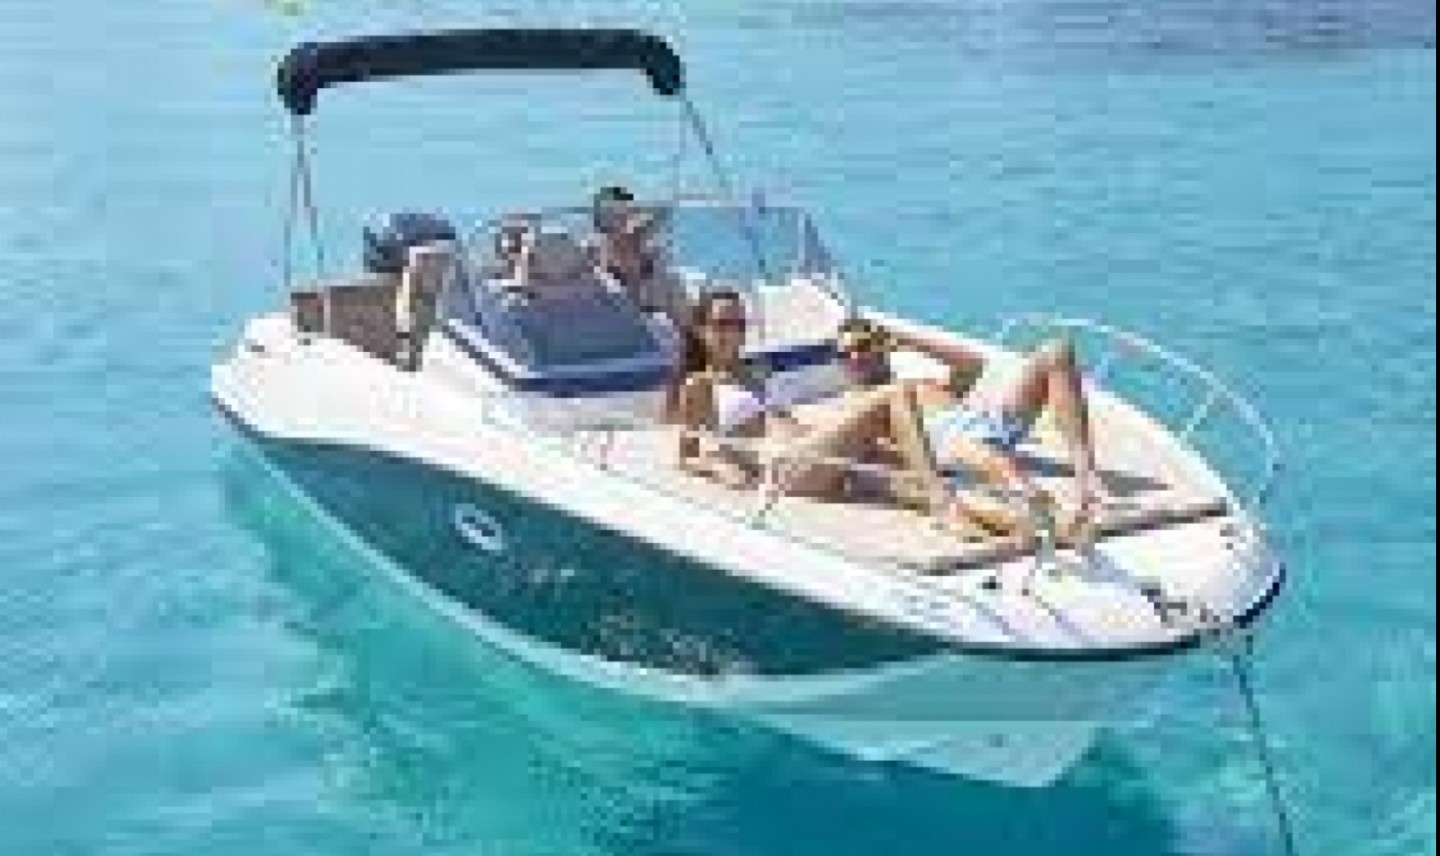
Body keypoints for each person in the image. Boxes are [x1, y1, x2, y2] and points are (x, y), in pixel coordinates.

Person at [832, 318, 1103, 542]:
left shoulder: (920, 383)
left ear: (881, 346)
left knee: (1056, 351)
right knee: (982, 453)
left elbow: (973, 365)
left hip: (989, 423)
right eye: (845, 354)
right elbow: (875, 453)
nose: (855, 357)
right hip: (946, 443)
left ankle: (1085, 474)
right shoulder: (863, 404)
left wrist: (904, 338)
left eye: (863, 346)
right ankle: (1042, 508)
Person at [668, 291, 941, 498]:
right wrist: (715, 465)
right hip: (785, 468)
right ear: (701, 330)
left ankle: (949, 500)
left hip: (810, 452)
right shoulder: (699, 384)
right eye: (722, 324)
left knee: (907, 472)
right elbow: (686, 456)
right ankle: (943, 504)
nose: (733, 332)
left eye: (740, 324)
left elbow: (780, 420)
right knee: (894, 395)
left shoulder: (755, 371)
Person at [590, 186, 689, 326]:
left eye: (622, 216)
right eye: (610, 218)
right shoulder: (592, 265)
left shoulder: (663, 273)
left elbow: (685, 324)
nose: (618, 226)